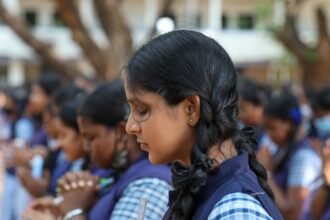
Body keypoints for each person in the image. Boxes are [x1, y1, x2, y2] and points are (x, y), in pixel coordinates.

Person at [124, 30, 282, 219]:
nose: (130, 126)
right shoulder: (206, 191)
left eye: (142, 110)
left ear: (191, 109)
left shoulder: (235, 211)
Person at [24, 80, 172, 220]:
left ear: (120, 132)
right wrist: (62, 205)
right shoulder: (113, 173)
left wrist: (74, 211)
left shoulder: (148, 186)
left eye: (91, 138)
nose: (86, 147)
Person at [259, 92, 321, 220]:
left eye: (273, 128)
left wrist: (267, 173)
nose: (269, 134)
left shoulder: (303, 157)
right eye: (266, 128)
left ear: (290, 123)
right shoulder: (283, 149)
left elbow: (293, 214)